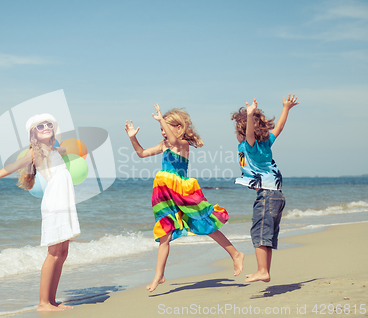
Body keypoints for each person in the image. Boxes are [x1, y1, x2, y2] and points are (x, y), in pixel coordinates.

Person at [125, 104, 244, 292]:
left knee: (205, 225)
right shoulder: (165, 145)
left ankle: (236, 254)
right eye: (161, 130)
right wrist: (133, 137)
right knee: (164, 233)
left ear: (178, 128)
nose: (163, 133)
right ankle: (159, 275)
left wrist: (161, 119)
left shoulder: (182, 144)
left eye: (165, 129)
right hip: (164, 195)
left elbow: (174, 140)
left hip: (182, 192)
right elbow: (141, 153)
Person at [0, 114, 80, 311]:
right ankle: (43, 303)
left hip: (65, 203)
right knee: (53, 253)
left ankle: (52, 300)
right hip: (55, 203)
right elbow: (13, 166)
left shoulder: (56, 150)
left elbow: (69, 148)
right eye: (40, 126)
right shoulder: (36, 152)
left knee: (63, 252)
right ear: (33, 133)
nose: (46, 127)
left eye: (49, 124)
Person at [231, 95, 299, 283]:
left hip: (267, 195)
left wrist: (250, 115)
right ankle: (264, 271)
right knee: (266, 235)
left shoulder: (250, 145)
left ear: (242, 131)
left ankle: (262, 270)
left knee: (259, 233)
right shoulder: (267, 141)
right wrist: (286, 108)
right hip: (277, 195)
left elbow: (250, 134)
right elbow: (279, 128)